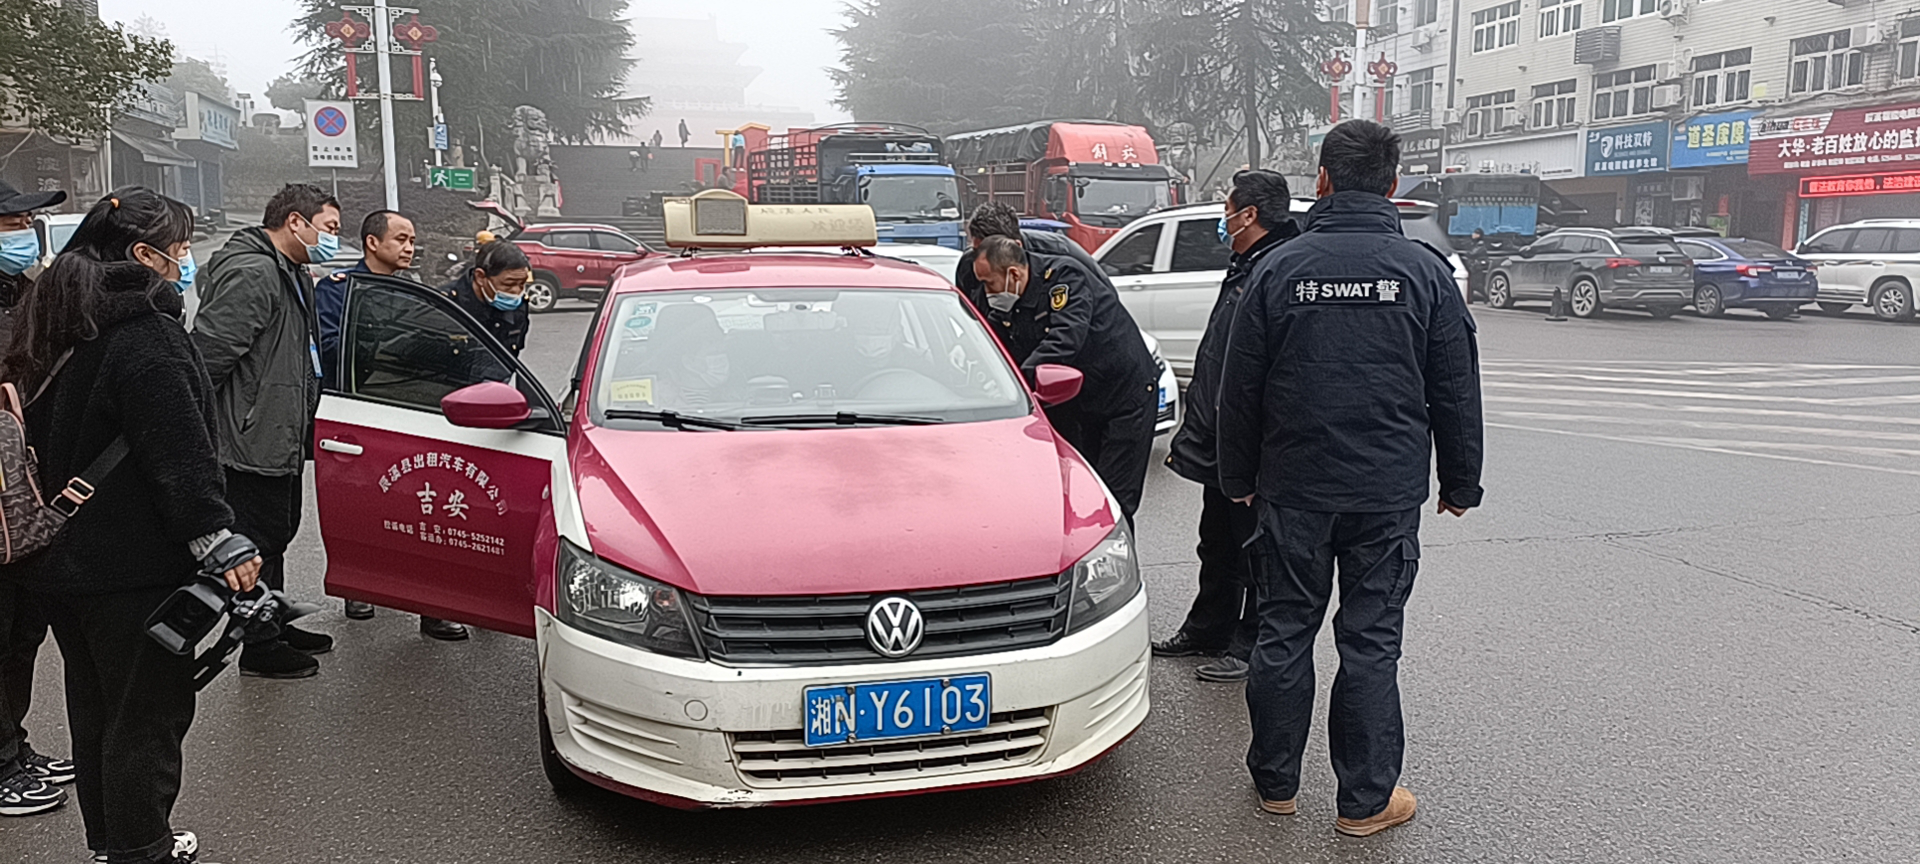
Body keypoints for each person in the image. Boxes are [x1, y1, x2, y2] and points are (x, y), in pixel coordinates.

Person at [1216, 120, 1484, 836]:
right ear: (1391, 185)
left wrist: (1237, 476)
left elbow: (1239, 387)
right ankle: (1364, 803)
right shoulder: (1424, 272)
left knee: (1284, 631)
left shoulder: (1279, 268)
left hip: (1292, 488)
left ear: (1324, 180)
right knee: (1370, 641)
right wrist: (1460, 481)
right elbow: (1455, 387)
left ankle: (1276, 785)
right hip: (1383, 493)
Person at [3, 186, 263, 864]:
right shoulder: (148, 334)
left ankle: (113, 843)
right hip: (132, 567)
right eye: (180, 248)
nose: (186, 260)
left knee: (95, 710)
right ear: (145, 255)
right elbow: (179, 452)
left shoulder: (53, 322)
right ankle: (143, 849)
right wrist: (217, 538)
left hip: (57, 560)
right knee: (146, 716)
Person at [1153, 169, 1300, 684]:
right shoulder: (1247, 263)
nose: (1224, 220)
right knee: (1215, 540)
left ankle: (1249, 642)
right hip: (1223, 432)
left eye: (1227, 211)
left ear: (1249, 215)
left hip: (1253, 442)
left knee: (1254, 547)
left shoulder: (1277, 268)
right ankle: (1208, 628)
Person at [193, 183, 339, 680]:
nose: (332, 238)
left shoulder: (291, 270)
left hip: (279, 432)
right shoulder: (254, 273)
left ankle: (272, 620)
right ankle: (257, 644)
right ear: (296, 222)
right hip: (249, 438)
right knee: (253, 543)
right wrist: (204, 432)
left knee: (276, 536)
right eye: (329, 227)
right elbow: (209, 358)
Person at [971, 234, 1158, 525]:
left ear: (1013, 274)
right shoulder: (1009, 298)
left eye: (989, 283)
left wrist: (1016, 383)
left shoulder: (1064, 278)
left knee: (1111, 504)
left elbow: (1065, 339)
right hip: (1080, 401)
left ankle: (1116, 553)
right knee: (1078, 498)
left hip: (1124, 397)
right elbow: (993, 343)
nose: (986, 292)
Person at [0, 180, 72, 819]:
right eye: (12, 223)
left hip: (21, 498)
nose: (25, 232)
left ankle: (13, 745)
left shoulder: (26, 294)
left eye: (28, 221)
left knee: (24, 628)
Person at [317, 209, 417, 376]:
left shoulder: (408, 292)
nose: (409, 249)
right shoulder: (338, 289)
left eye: (412, 242)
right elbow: (327, 346)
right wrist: (378, 350)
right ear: (372, 242)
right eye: (401, 240)